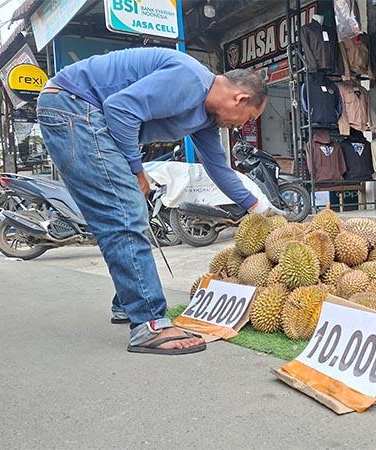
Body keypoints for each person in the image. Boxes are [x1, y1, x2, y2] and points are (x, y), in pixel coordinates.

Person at [37, 47, 274, 355]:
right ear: (240, 100)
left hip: (80, 111)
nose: (243, 125)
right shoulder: (191, 80)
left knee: (128, 213)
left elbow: (218, 168)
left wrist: (259, 208)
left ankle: (127, 302)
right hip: (73, 107)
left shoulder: (205, 118)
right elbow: (120, 108)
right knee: (124, 213)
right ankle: (148, 322)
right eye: (249, 118)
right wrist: (138, 172)